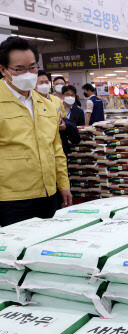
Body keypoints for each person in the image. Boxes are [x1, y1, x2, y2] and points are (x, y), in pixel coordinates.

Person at [0, 36, 72, 226]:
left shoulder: (47, 105)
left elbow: (56, 149)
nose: (28, 74)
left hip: (49, 194)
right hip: (11, 199)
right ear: (3, 70)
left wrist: (63, 185)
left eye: (32, 67)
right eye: (19, 69)